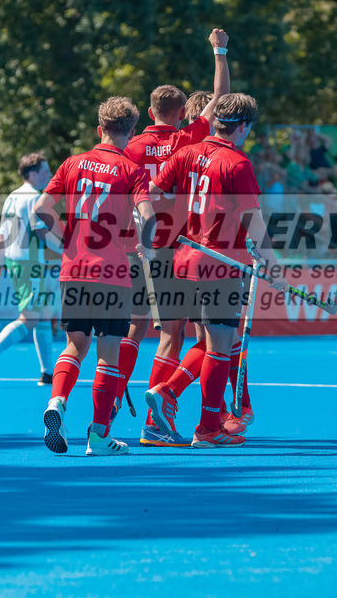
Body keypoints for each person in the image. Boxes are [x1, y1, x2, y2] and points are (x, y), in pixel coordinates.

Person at [147, 92, 280, 448]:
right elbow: (254, 219)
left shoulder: (186, 153)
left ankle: (172, 396)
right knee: (220, 346)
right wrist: (273, 264)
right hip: (220, 264)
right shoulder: (237, 163)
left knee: (208, 342)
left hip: (185, 262)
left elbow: (149, 192)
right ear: (244, 126)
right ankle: (207, 428)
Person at [121, 29, 230, 448]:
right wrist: (219, 51)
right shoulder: (190, 140)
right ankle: (159, 417)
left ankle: (121, 405)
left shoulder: (129, 148)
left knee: (149, 329)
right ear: (184, 111)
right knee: (196, 335)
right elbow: (222, 97)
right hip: (185, 247)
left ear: (150, 112)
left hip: (141, 247)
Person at [32, 96, 155, 456]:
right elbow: (147, 217)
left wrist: (64, 238)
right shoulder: (133, 171)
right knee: (107, 355)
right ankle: (99, 436)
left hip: (74, 269)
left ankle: (57, 401)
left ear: (99, 129)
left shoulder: (72, 163)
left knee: (75, 345)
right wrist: (145, 247)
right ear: (131, 132)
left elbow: (41, 208)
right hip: (112, 273)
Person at [0, 152, 61, 385]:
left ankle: (48, 373)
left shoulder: (12, 197)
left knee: (44, 316)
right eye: (46, 172)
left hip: (18, 261)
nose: (49, 176)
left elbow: (2, 237)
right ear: (34, 174)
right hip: (29, 263)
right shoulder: (34, 197)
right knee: (30, 318)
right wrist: (67, 248)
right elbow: (41, 232)